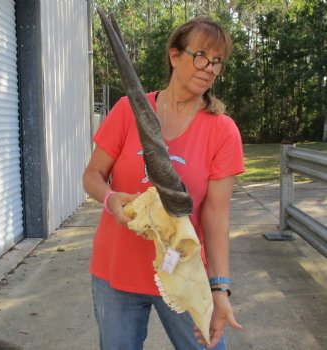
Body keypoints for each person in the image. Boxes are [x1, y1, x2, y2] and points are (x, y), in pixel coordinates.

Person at [83, 15, 244, 350]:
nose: (210, 68)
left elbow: (216, 217)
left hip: (184, 273)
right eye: (201, 56)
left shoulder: (222, 130)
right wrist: (111, 198)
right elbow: (92, 176)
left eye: (217, 62)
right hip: (117, 275)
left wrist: (220, 289)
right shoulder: (128, 110)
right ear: (174, 56)